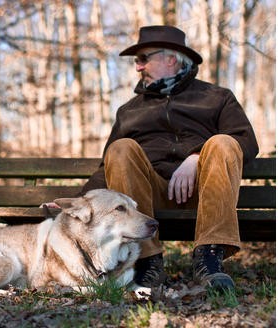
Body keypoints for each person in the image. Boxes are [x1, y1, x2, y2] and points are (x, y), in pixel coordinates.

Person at [67, 25, 259, 291]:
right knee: (121, 148)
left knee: (224, 142)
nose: (137, 67)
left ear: (171, 59)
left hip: (208, 192)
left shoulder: (217, 98)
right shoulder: (129, 111)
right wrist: (78, 207)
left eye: (143, 59)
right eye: (136, 61)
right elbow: (108, 168)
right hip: (149, 196)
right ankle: (147, 262)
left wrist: (196, 156)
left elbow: (246, 140)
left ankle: (209, 258)